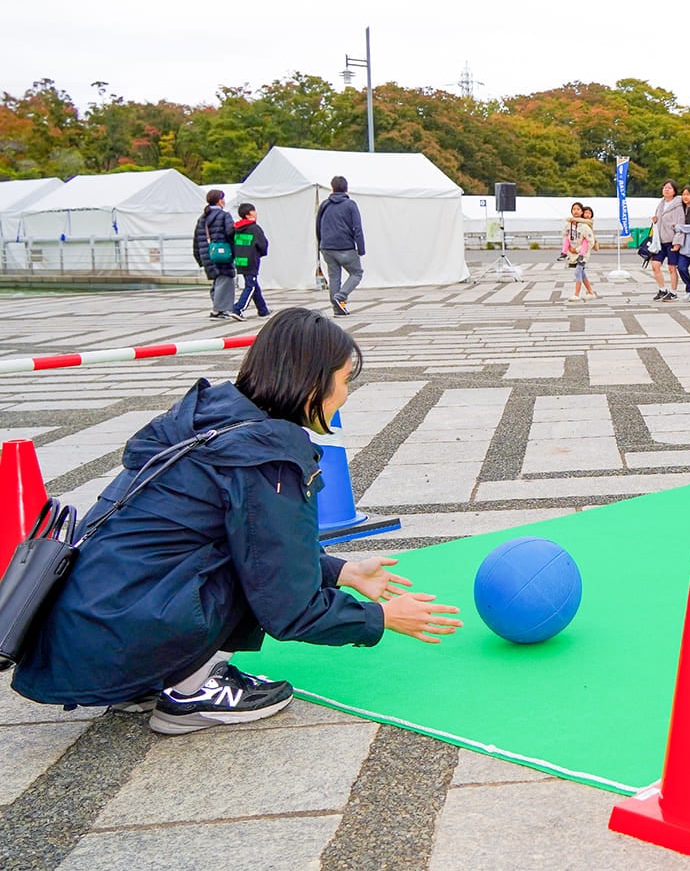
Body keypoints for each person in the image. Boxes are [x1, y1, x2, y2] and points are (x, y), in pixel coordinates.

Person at [11, 308, 462, 732]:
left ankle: (149, 678)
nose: (345, 394)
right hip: (120, 634)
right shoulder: (264, 457)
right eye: (345, 381)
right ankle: (191, 691)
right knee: (253, 572)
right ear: (312, 387)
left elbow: (256, 545)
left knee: (239, 552)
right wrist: (380, 618)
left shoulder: (214, 420)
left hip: (88, 630)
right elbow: (288, 604)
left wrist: (342, 570)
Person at [316, 176, 365, 317]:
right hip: (345, 246)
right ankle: (340, 297)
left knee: (334, 278)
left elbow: (318, 226)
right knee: (356, 273)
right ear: (346, 188)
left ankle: (337, 308)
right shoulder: (350, 205)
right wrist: (361, 248)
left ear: (332, 188)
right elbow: (357, 228)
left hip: (327, 247)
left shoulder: (325, 204)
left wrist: (321, 244)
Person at [193, 190, 240, 321]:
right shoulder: (224, 215)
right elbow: (230, 232)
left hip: (207, 253)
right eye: (223, 199)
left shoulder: (202, 218)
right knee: (225, 280)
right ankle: (218, 310)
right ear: (219, 200)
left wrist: (199, 257)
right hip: (222, 254)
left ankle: (218, 308)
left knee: (217, 281)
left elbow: (196, 239)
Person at [231, 201, 271, 318]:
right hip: (251, 260)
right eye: (253, 211)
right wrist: (261, 254)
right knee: (251, 286)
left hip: (240, 260)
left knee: (253, 283)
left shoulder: (236, 228)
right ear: (249, 215)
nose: (256, 213)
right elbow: (263, 244)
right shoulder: (254, 228)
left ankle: (262, 310)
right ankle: (238, 308)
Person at [649, 180, 683, 301]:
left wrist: (678, 242)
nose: (666, 189)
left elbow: (681, 223)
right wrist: (655, 220)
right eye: (664, 187)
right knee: (655, 265)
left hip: (672, 240)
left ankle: (673, 292)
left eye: (669, 188)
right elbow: (658, 218)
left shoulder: (678, 205)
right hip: (660, 241)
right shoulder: (661, 203)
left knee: (671, 268)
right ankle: (662, 289)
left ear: (674, 191)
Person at [565, 208, 596, 302]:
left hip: (583, 253)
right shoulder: (572, 225)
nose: (587, 215)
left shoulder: (587, 224)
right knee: (582, 273)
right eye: (574, 209)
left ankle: (576, 294)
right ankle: (591, 292)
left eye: (589, 213)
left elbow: (590, 242)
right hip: (575, 253)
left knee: (578, 272)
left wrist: (578, 250)